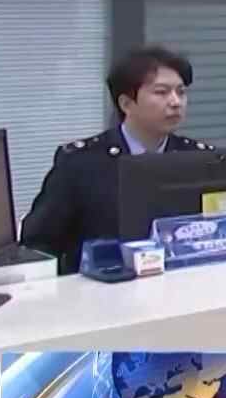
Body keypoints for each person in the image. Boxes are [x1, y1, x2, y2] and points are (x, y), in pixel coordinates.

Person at [22, 46, 212, 275]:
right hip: (100, 287)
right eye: (161, 92)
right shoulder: (81, 163)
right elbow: (38, 243)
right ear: (126, 104)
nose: (175, 102)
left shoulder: (197, 159)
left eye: (181, 92)